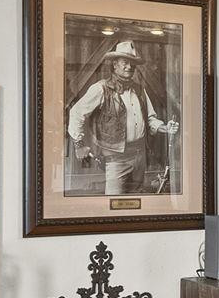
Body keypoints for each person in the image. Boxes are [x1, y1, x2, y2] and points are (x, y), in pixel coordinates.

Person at [67, 40, 178, 195]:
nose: (129, 67)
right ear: (114, 65)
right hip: (115, 159)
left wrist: (164, 127)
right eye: (125, 62)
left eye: (132, 63)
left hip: (140, 156)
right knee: (113, 202)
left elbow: (150, 118)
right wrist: (78, 144)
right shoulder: (101, 88)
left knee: (136, 200)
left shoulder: (139, 90)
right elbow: (76, 113)